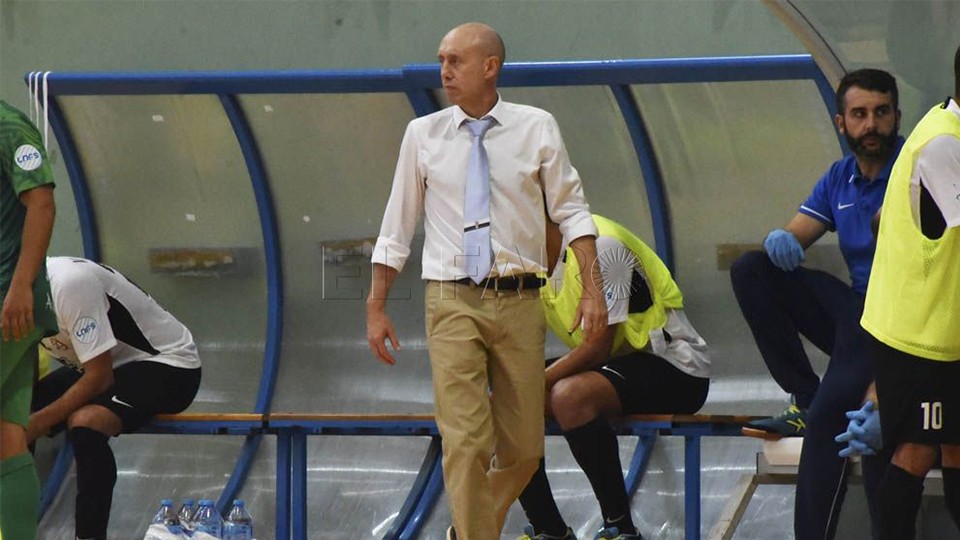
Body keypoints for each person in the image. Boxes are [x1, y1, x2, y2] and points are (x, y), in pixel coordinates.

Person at [366, 22, 607, 540]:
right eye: (441, 60)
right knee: (466, 441)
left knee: (524, 450)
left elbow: (573, 213)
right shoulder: (422, 134)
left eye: (455, 60)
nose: (444, 71)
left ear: (490, 67)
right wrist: (376, 305)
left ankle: (468, 529)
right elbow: (396, 228)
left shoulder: (537, 126)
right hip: (450, 298)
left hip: (521, 299)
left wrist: (593, 289)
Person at [729, 69, 903, 539]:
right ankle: (803, 396)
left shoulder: (913, 168)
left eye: (881, 112)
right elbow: (796, 234)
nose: (872, 125)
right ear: (841, 122)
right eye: (859, 114)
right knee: (752, 268)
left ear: (897, 116)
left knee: (834, 415)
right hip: (856, 311)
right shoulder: (839, 176)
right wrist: (782, 238)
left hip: (899, 318)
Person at [517, 215, 710, 540]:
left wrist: (533, 384)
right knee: (503, 399)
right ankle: (548, 530)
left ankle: (621, 529)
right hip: (612, 366)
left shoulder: (602, 246)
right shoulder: (524, 263)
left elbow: (598, 348)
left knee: (568, 395)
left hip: (674, 367)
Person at [859, 44, 960, 539]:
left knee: (956, 444)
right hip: (917, 334)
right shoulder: (943, 142)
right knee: (918, 449)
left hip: (944, 329)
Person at [29, 256, 202, 540]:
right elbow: (26, 371)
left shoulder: (68, 284)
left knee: (86, 421)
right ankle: (17, 527)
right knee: (14, 418)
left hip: (169, 365)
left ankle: (89, 535)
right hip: (108, 365)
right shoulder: (11, 293)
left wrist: (37, 423)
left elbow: (100, 378)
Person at [1, 99, 58, 540]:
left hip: (8, 298)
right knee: (7, 438)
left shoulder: (8, 126)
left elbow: (41, 203)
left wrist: (20, 286)